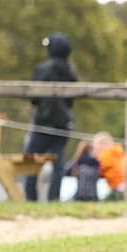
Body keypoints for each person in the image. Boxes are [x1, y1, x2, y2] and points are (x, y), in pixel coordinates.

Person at [23, 32, 78, 202]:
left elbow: (32, 97)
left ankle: (30, 198)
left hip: (42, 123)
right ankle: (53, 198)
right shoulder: (71, 72)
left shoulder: (42, 68)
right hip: (62, 125)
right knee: (57, 165)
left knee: (32, 162)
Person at [92, 132, 126, 200]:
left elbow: (97, 172)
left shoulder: (106, 155)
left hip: (118, 189)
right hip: (125, 187)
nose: (97, 150)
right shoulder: (119, 152)